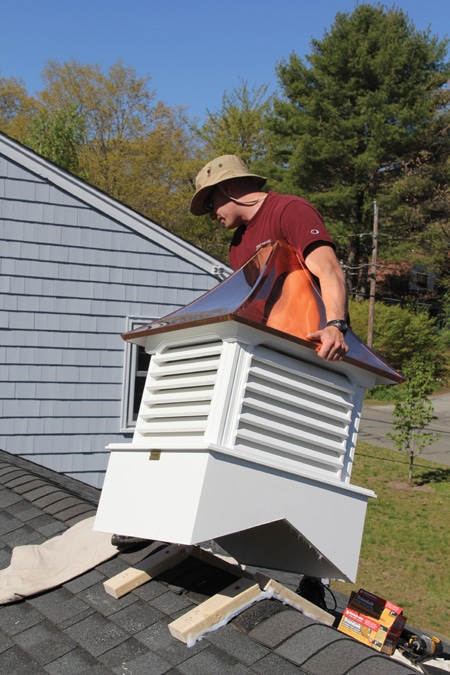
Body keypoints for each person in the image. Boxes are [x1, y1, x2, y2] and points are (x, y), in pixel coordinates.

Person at [190, 155, 349, 363]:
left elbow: (329, 270)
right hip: (270, 353)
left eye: (210, 204)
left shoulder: (289, 210)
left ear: (227, 188)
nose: (211, 216)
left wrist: (335, 327)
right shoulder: (237, 245)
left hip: (318, 350)